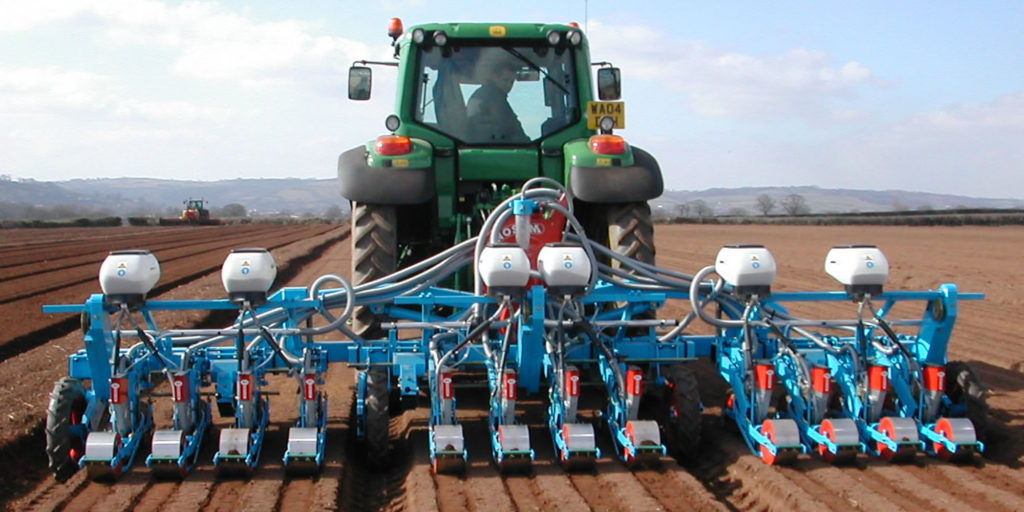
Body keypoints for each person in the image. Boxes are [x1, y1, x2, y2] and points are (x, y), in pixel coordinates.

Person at [466, 54, 529, 143]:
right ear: (494, 77)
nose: (509, 85)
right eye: (505, 80)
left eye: (512, 82)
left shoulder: (481, 94)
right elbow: (511, 128)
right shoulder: (494, 99)